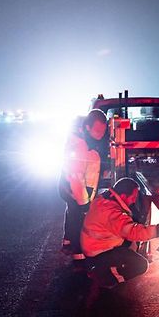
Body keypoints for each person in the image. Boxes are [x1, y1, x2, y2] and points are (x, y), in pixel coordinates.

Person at [81, 177, 159, 288]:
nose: (134, 201)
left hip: (94, 244)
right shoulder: (112, 213)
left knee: (131, 245)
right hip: (99, 251)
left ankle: (103, 269)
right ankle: (104, 277)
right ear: (123, 196)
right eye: (133, 197)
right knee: (140, 265)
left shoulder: (104, 199)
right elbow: (133, 232)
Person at [58, 108, 108, 260]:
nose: (101, 134)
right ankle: (78, 255)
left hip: (71, 187)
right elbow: (76, 176)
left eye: (103, 130)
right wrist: (84, 203)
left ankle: (68, 242)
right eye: (97, 130)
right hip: (75, 188)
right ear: (87, 127)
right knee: (79, 218)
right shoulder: (80, 145)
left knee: (72, 212)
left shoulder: (87, 140)